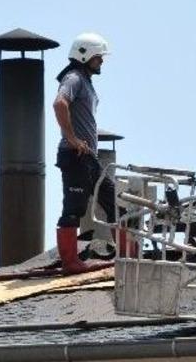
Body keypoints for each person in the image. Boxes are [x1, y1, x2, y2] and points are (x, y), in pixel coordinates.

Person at [52, 32, 117, 274]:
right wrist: (72, 138)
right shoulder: (73, 77)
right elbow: (60, 103)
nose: (101, 62)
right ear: (85, 55)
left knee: (113, 204)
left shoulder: (86, 81)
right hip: (75, 156)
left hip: (89, 158)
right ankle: (70, 262)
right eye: (98, 57)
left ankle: (127, 256)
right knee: (73, 209)